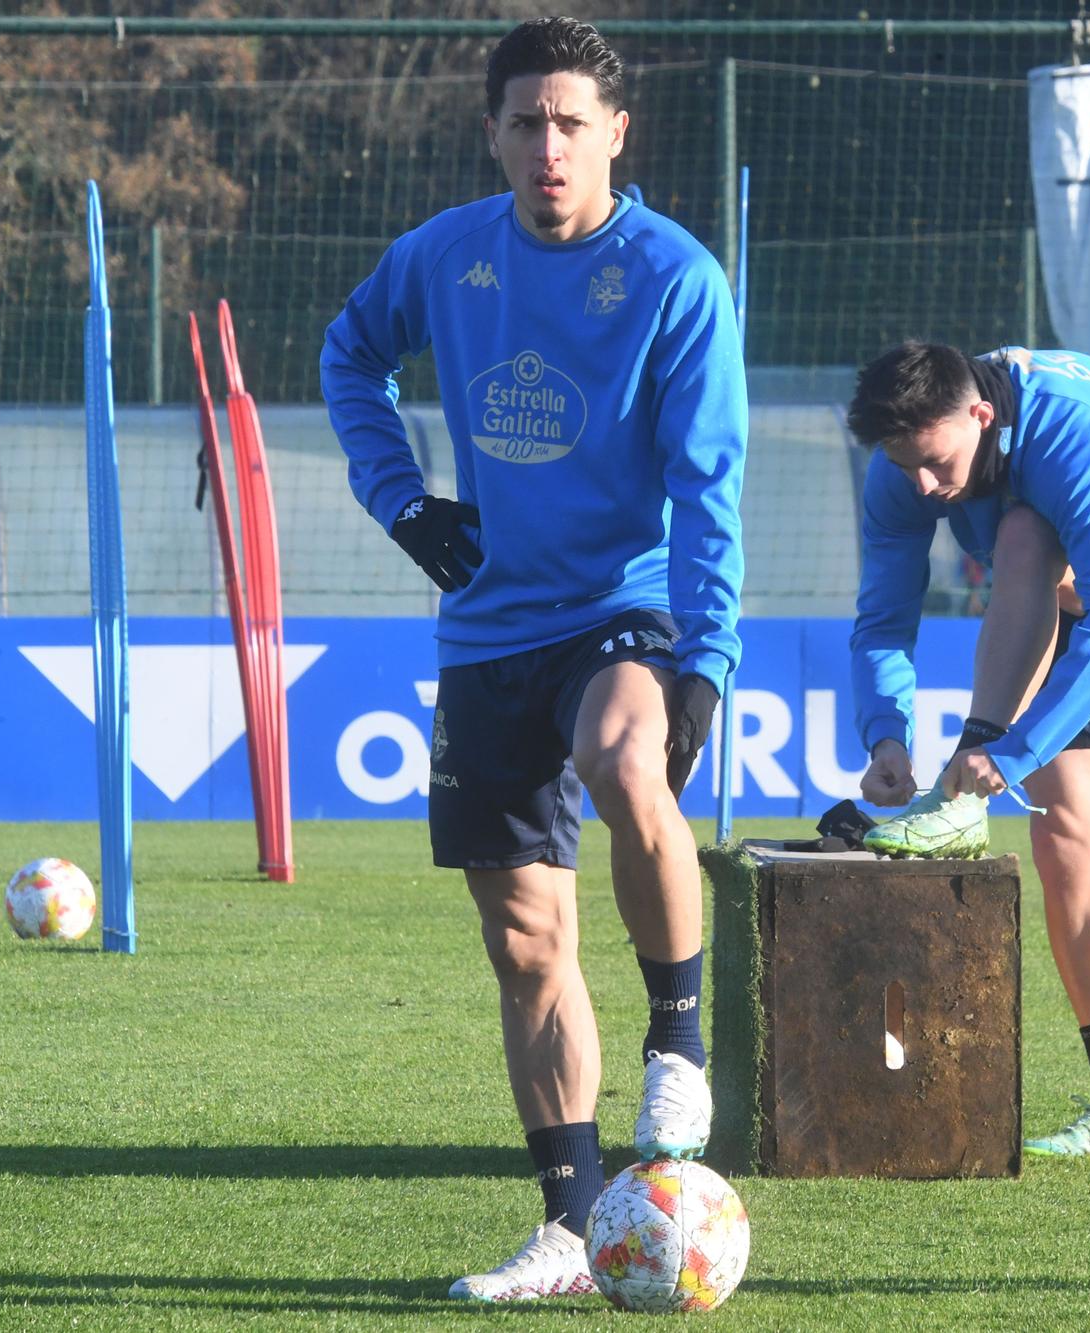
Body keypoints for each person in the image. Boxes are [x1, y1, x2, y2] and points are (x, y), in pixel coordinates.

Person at [320, 17, 745, 1302]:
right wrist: (401, 500)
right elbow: (350, 354)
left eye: (572, 124)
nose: (547, 148)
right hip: (489, 626)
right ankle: (568, 1225)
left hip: (623, 607)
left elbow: (710, 481)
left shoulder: (673, 274)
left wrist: (707, 652)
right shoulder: (444, 256)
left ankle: (678, 1043)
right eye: (525, 123)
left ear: (616, 133)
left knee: (622, 755)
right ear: (492, 132)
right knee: (523, 940)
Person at [846, 342, 1090, 1157]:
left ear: (980, 416)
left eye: (935, 462)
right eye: (902, 464)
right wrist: (885, 735)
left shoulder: (1065, 434)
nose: (922, 486)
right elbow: (884, 620)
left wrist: (1006, 753)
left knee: (1026, 533)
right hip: (1078, 585)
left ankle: (959, 800)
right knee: (1067, 839)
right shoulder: (903, 470)